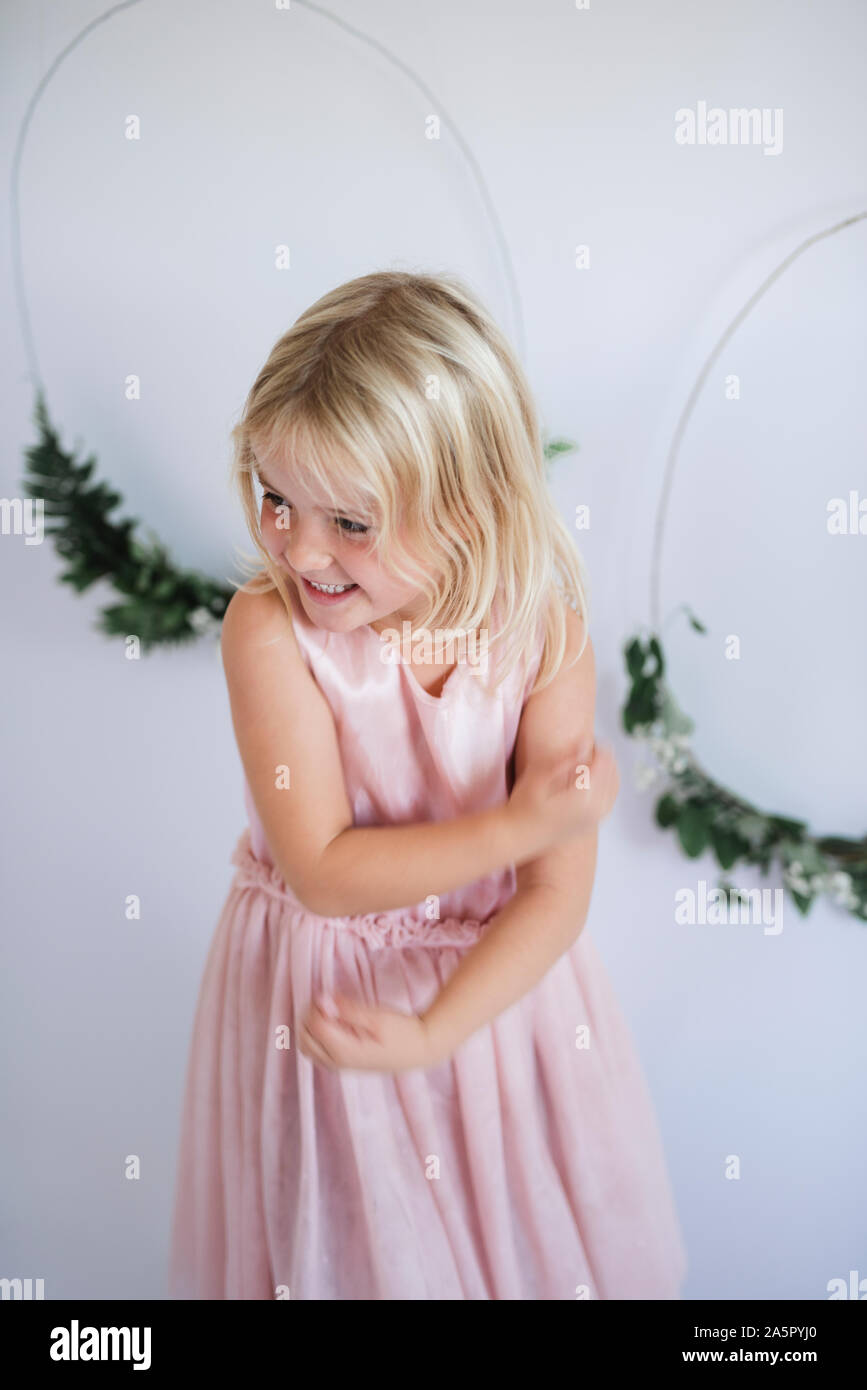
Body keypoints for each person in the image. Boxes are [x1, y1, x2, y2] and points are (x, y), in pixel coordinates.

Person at [168, 269, 687, 1300]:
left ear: (468, 508)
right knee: (363, 1261)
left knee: (518, 1254)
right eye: (277, 498)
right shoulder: (270, 633)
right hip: (333, 1005)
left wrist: (440, 1029)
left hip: (501, 1008)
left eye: (351, 523)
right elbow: (321, 869)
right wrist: (522, 822)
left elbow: (554, 896)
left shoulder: (547, 640)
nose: (300, 547)